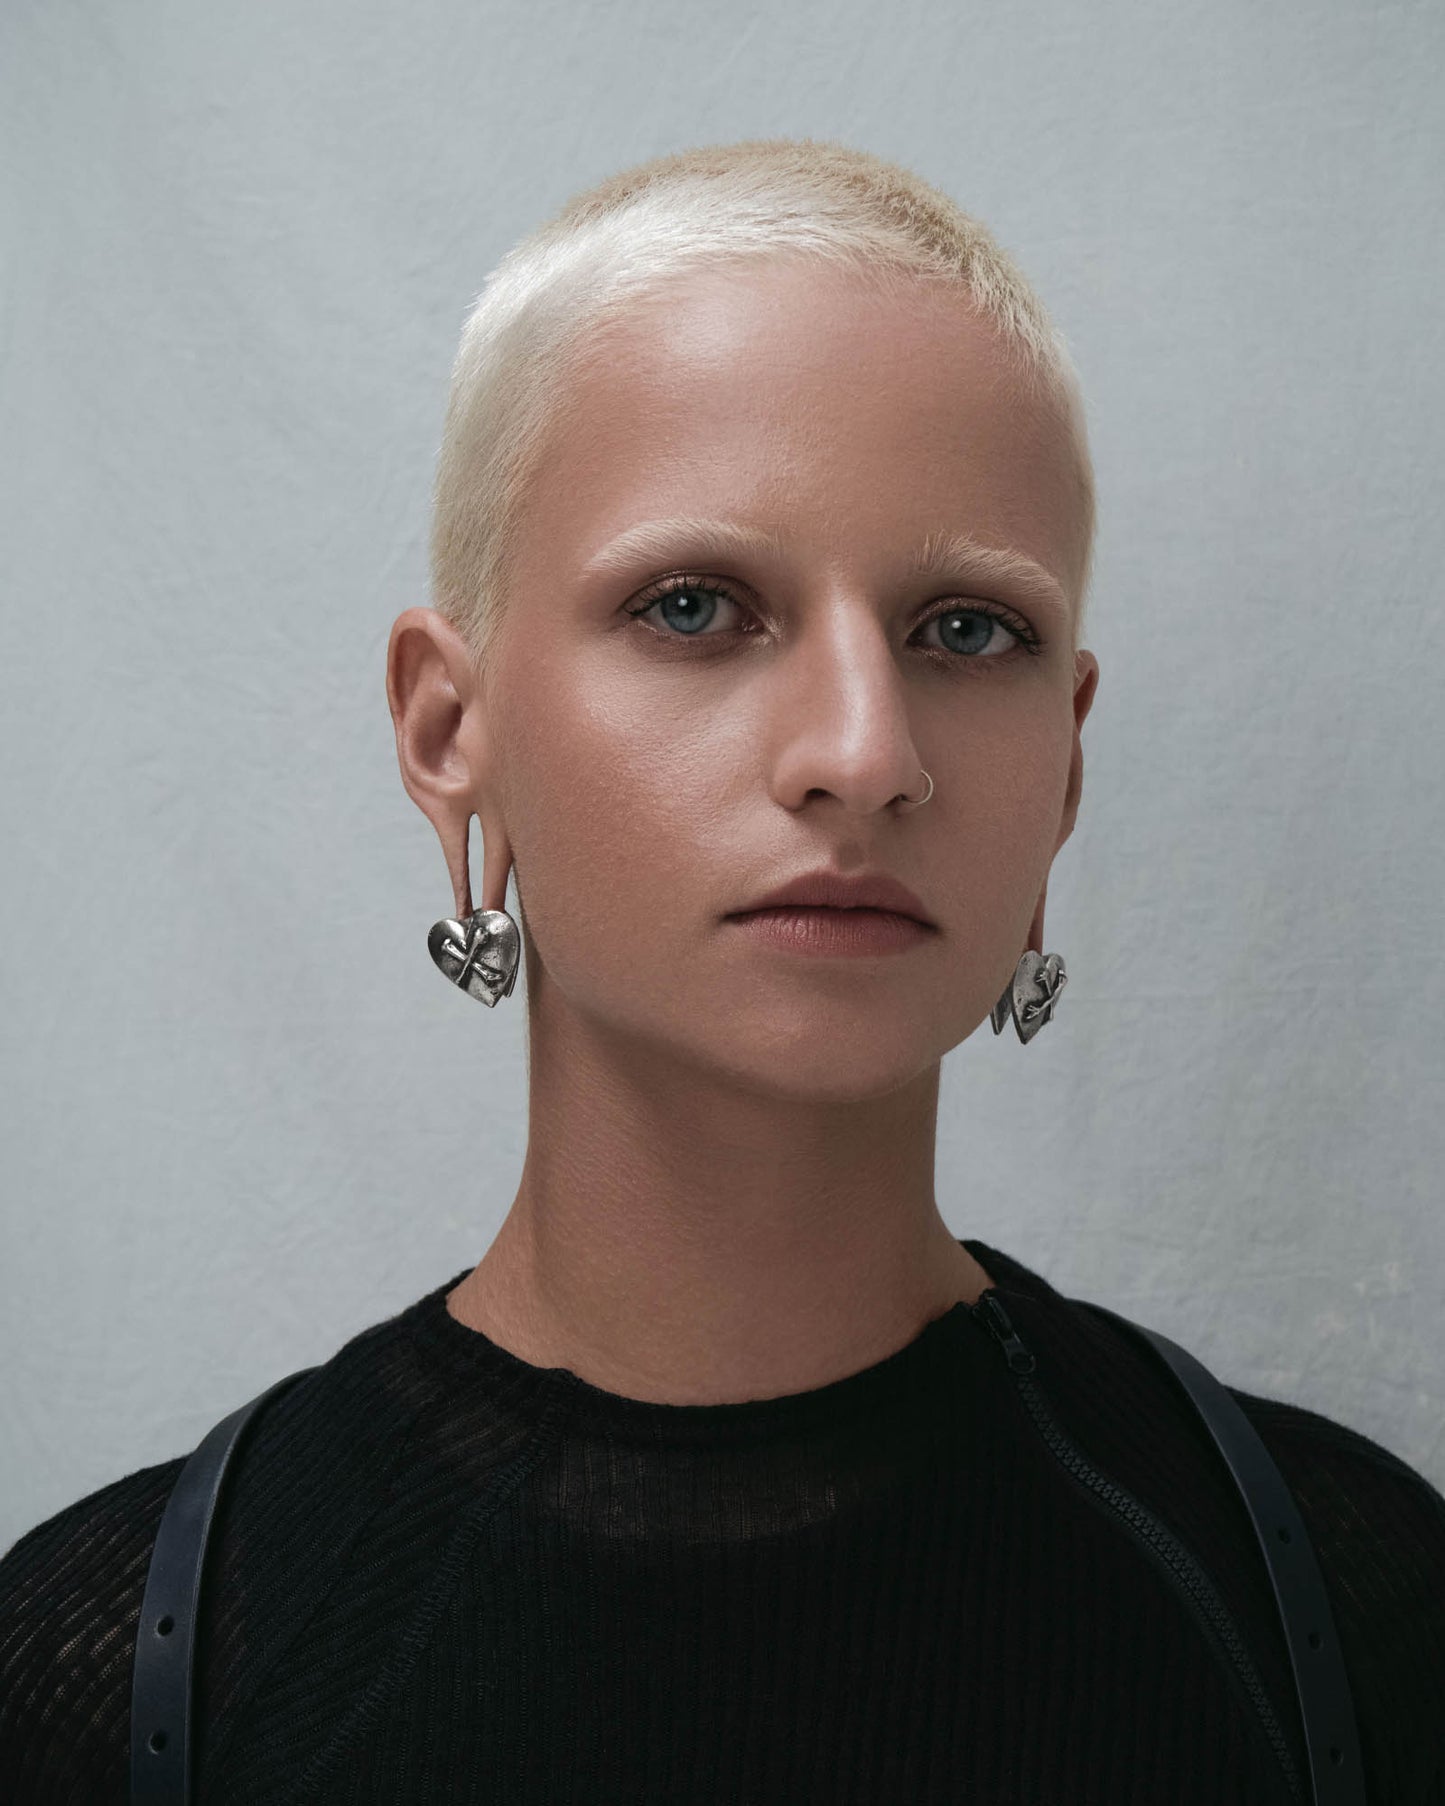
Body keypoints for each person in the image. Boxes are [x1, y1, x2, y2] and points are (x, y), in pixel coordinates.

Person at [2, 136, 1442, 1805]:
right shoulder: (124, 1671)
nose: (863, 753)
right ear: (450, 729)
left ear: (1064, 763)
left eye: (967, 629)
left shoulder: (1346, 1605)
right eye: (694, 607)